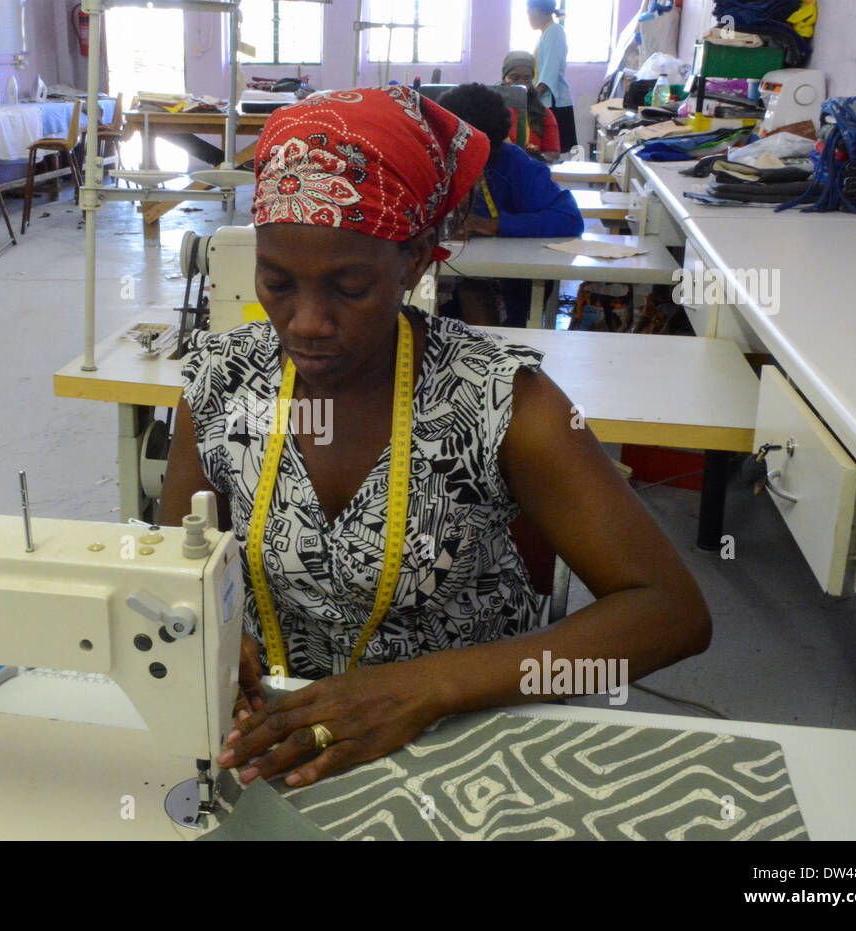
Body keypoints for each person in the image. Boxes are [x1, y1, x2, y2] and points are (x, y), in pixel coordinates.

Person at [159, 86, 709, 791]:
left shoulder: (500, 400)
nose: (306, 321)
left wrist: (428, 687)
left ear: (416, 259)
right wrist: (204, 627)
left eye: (349, 286)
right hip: (283, 741)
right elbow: (173, 570)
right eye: (278, 280)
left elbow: (672, 613)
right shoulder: (219, 383)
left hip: (465, 746)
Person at [436, 83, 583, 326]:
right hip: (444, 275)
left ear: (491, 145)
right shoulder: (435, 157)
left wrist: (496, 225)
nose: (460, 158)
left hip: (502, 284)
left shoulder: (514, 163)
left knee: (473, 289)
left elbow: (569, 219)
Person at [529, 0, 578, 153]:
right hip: (545, 102)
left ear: (536, 10)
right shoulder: (546, 33)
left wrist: (532, 99)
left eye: (528, 12)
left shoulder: (554, 32)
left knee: (554, 153)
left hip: (554, 103)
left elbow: (550, 72)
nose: (528, 17)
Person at [502, 50, 561, 162]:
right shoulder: (490, 110)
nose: (521, 83)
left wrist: (535, 156)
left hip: (530, 173)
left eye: (527, 79)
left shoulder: (544, 114)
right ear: (504, 78)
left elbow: (554, 154)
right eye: (515, 78)